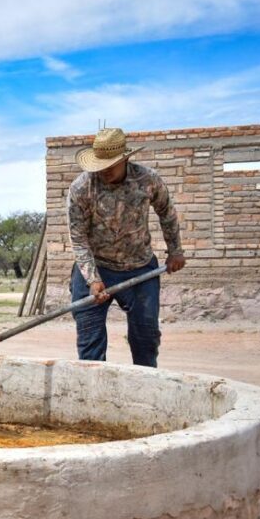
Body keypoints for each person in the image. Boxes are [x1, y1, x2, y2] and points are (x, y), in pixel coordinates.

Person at [66, 127, 186, 367]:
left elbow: (167, 213)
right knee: (90, 341)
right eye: (100, 166)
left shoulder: (147, 179)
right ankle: (92, 392)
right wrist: (92, 279)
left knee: (146, 338)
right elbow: (78, 238)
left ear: (125, 158)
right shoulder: (81, 188)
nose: (104, 171)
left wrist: (175, 251)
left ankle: (144, 387)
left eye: (110, 166)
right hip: (97, 267)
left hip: (140, 268)